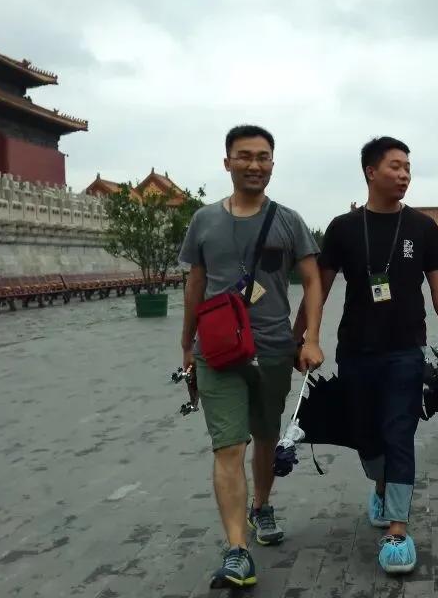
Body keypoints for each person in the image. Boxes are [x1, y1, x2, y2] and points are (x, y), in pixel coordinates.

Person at [306, 136, 438, 574]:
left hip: (405, 350)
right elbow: (319, 288)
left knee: (399, 434)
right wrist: (306, 337)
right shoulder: (343, 228)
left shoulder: (422, 227)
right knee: (366, 436)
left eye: (408, 167)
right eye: (395, 166)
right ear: (370, 172)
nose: (404, 174)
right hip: (356, 350)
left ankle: (397, 529)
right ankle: (380, 486)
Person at [178, 124, 325, 589]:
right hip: (217, 351)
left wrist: (310, 338)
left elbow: (313, 281)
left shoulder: (289, 221)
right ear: (227, 162)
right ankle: (237, 550)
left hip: (274, 348)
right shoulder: (203, 220)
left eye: (263, 157)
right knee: (228, 446)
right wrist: (186, 343)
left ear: (272, 165)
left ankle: (261, 505)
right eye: (244, 156)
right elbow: (195, 284)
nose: (254, 165)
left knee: (264, 436)